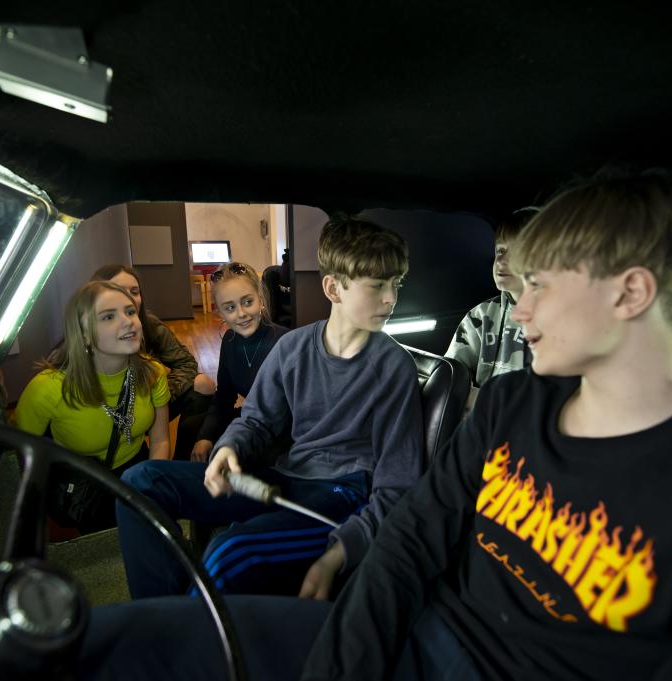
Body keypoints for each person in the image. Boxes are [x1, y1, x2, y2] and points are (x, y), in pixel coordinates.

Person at [81, 170, 672, 681]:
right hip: (408, 637)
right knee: (120, 647)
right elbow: (412, 539)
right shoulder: (513, 406)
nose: (518, 307)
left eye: (539, 284)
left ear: (630, 292)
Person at [114, 215, 425, 599]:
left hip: (340, 495)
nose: (391, 298)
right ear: (333, 287)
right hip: (287, 476)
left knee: (229, 554)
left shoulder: (394, 368)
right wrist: (229, 447)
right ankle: (160, 616)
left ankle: (182, 625)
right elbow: (256, 420)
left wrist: (343, 550)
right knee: (140, 483)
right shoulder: (293, 348)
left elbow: (397, 484)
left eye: (396, 284)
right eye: (378, 285)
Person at [15, 280, 171, 533]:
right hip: (86, 484)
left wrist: (150, 487)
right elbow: (20, 458)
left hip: (138, 469)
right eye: (108, 316)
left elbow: (161, 439)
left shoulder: (153, 372)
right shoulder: (47, 389)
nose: (128, 321)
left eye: (130, 312)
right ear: (84, 334)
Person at [91, 264, 215, 460]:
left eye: (135, 292)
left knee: (203, 384)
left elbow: (186, 363)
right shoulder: (85, 336)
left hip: (146, 404)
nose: (130, 298)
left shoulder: (150, 325)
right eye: (119, 291)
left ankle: (182, 463)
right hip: (105, 413)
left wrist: (158, 395)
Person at [189, 261, 289, 463]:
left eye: (247, 302)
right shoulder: (230, 341)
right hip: (251, 420)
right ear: (220, 312)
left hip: (281, 432)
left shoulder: (285, 343)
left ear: (260, 299)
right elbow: (224, 398)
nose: (241, 313)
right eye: (230, 307)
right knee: (191, 429)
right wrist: (205, 436)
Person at [445, 216, 527, 392]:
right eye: (500, 250)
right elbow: (450, 377)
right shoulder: (481, 315)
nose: (501, 260)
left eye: (516, 251)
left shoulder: (561, 321)